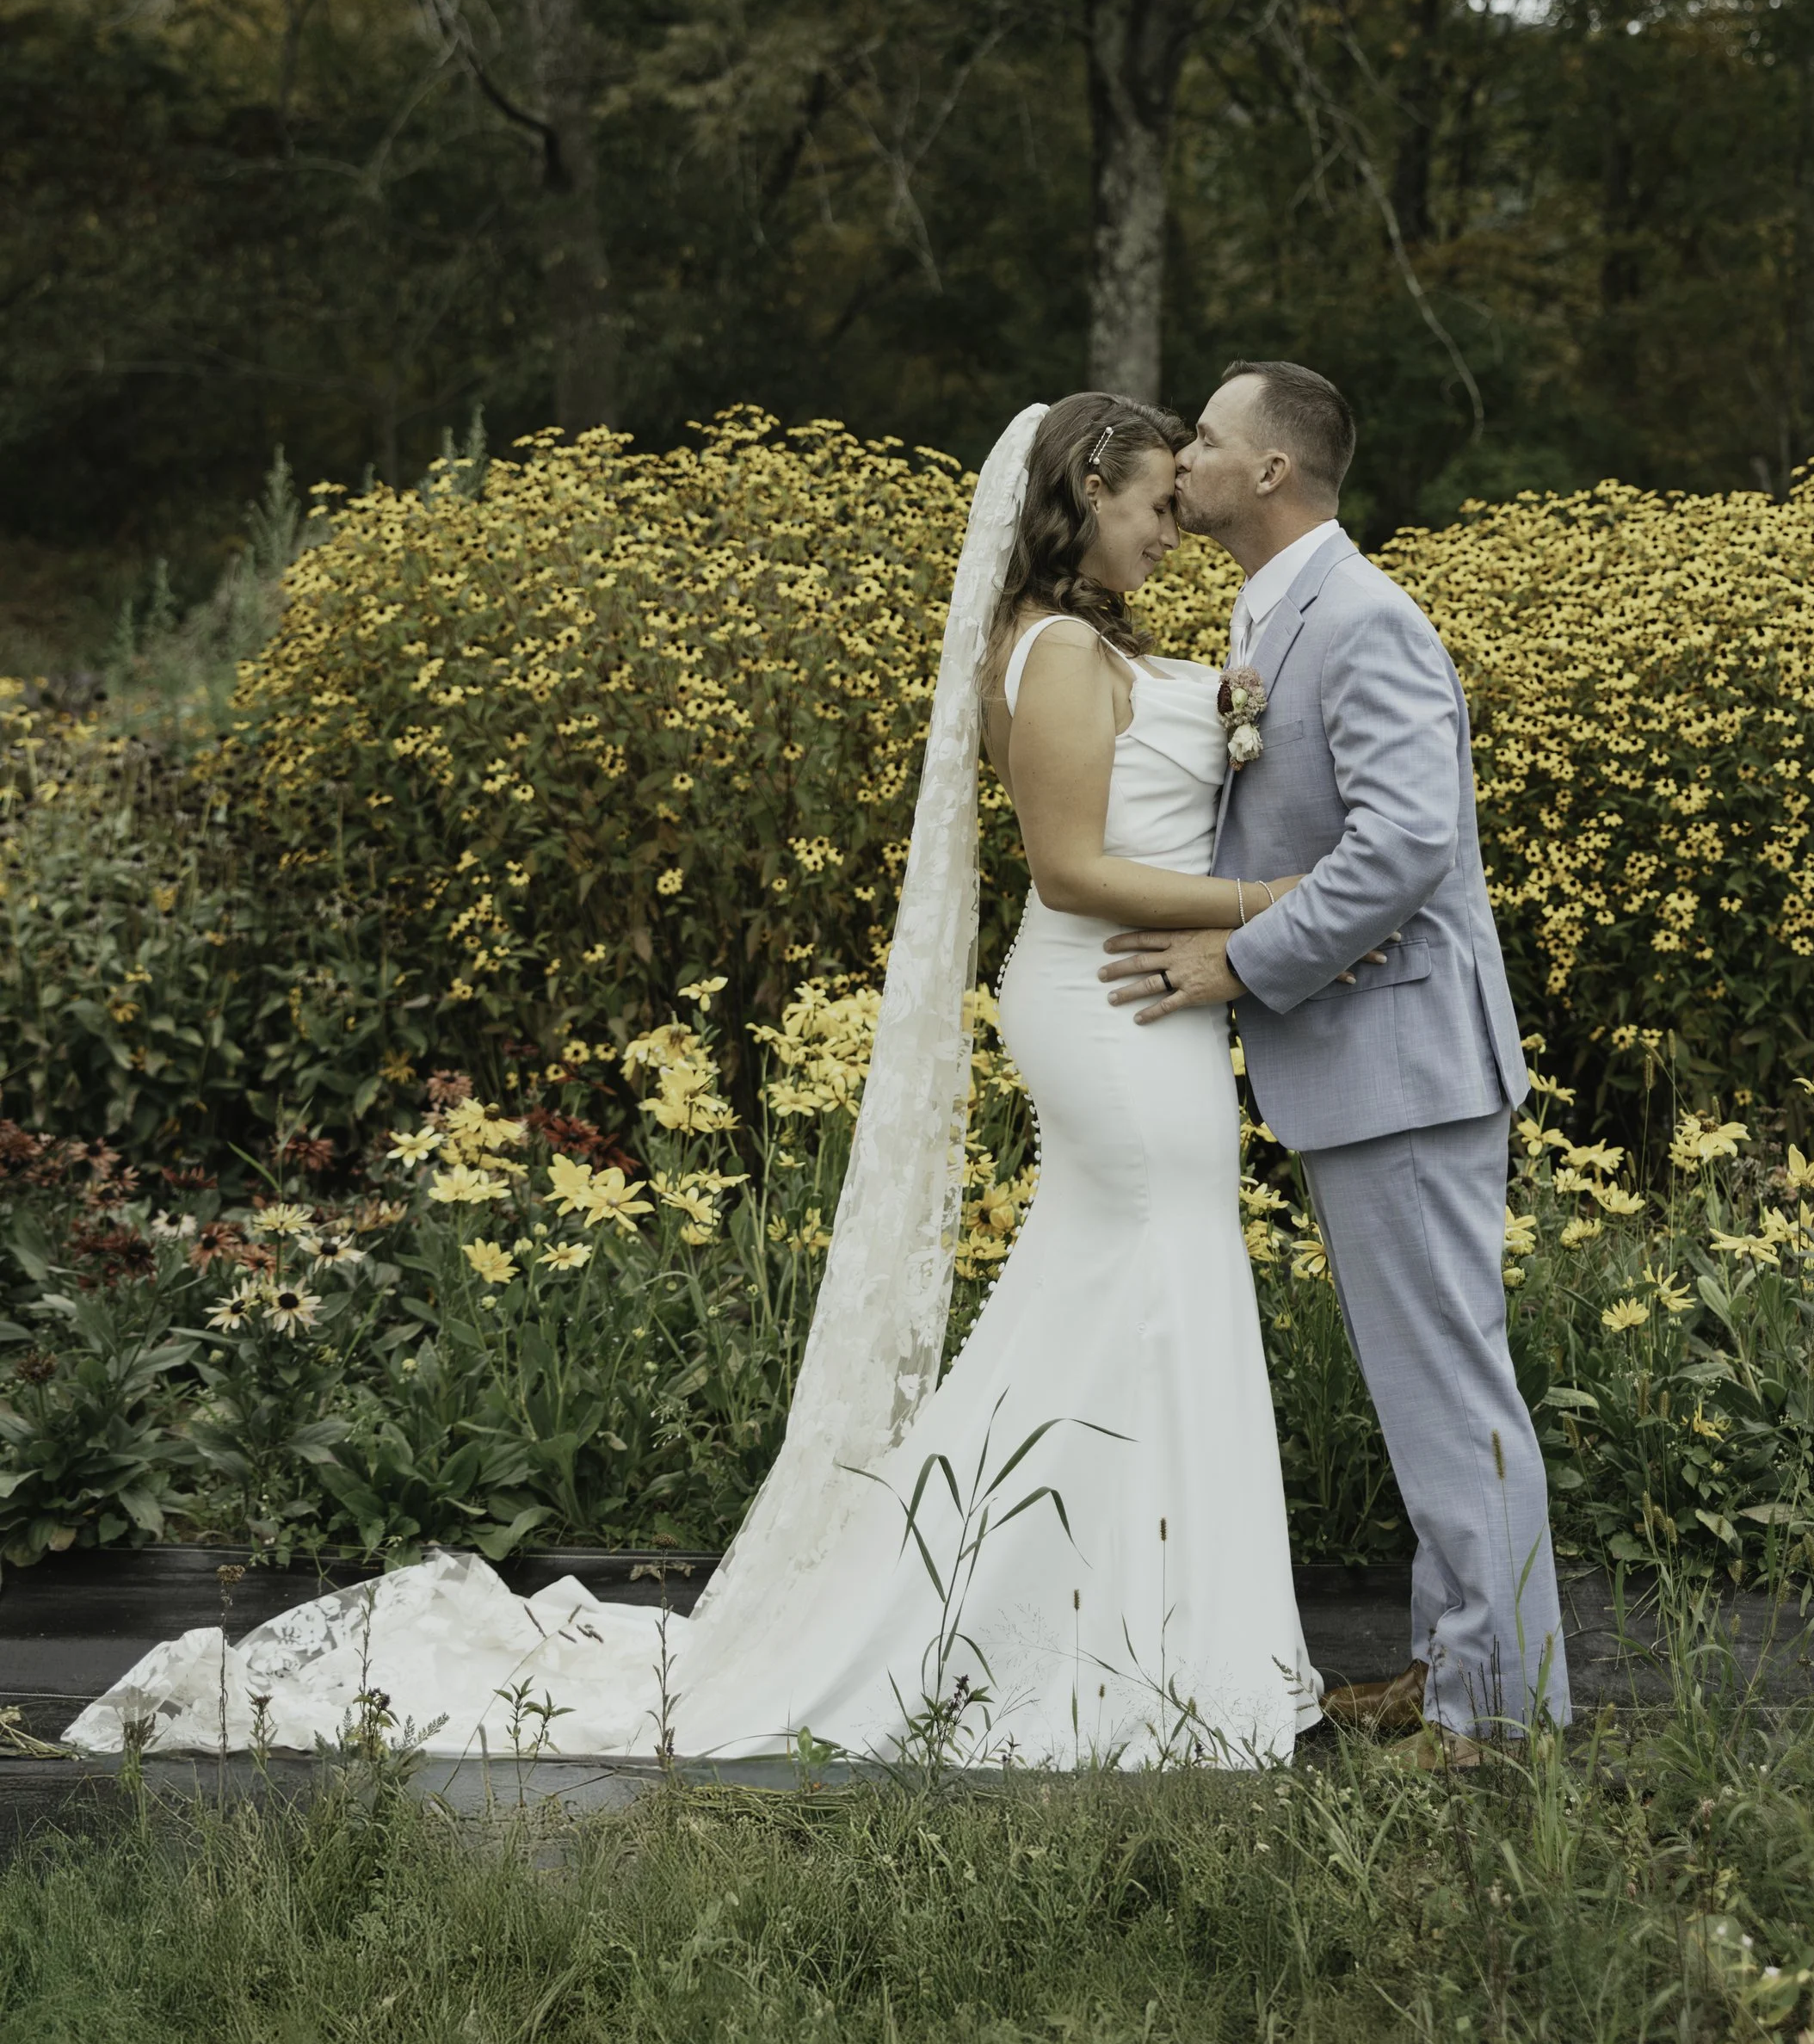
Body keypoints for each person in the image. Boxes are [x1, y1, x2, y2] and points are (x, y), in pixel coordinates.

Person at [70, 396, 1319, 1769]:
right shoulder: (1067, 651)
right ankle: (1110, 1635)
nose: (1164, 533)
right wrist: (1266, 899)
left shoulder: (1070, 639)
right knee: (1154, 1267)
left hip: (1134, 998)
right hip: (1113, 996)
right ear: (1089, 489)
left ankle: (1105, 1618)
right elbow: (1072, 869)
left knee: (1116, 1287)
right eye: (1148, 508)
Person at [1101, 360, 1569, 1757]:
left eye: (1206, 439)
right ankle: (1454, 1662)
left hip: (1406, 1055)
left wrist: (1237, 960)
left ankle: (1495, 1710)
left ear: (1271, 475)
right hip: (1369, 1056)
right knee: (1425, 1384)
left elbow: (1406, 845)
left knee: (1449, 1384)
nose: (1183, 456)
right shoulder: (1273, 610)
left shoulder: (1361, 618)